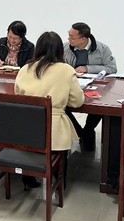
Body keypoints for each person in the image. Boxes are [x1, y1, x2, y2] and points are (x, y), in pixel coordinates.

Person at [14, 31, 84, 188]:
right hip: (53, 131)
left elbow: (18, 95)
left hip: (26, 129)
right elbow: (77, 101)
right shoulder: (66, 70)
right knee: (61, 134)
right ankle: (58, 181)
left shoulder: (25, 68)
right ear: (60, 50)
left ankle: (28, 177)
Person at [63, 22, 117, 148]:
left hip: (95, 86)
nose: (68, 39)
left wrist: (88, 68)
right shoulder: (65, 48)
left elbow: (112, 68)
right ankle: (82, 133)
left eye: (72, 37)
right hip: (72, 84)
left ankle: (87, 130)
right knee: (61, 105)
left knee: (100, 106)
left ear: (83, 39)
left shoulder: (102, 49)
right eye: (69, 35)